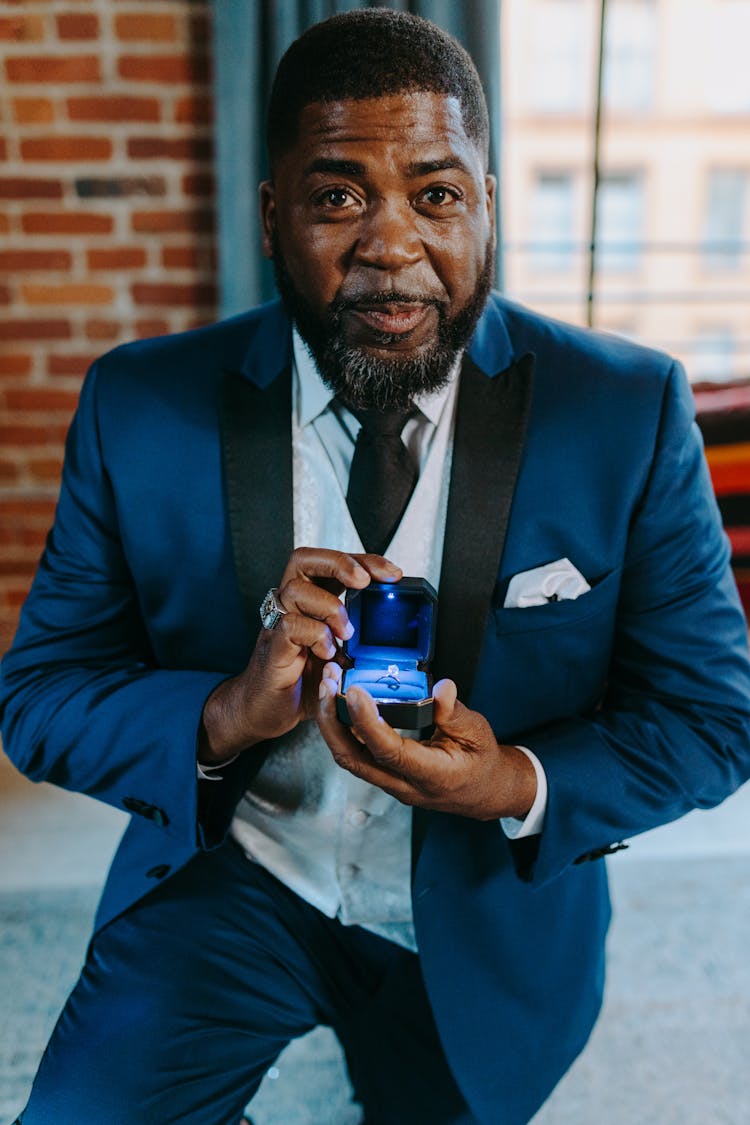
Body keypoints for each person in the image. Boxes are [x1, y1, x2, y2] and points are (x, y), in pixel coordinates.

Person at [2, 9, 749, 1125]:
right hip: (240, 879)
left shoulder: (626, 411)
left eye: (438, 194)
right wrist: (223, 714)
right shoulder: (139, 404)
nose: (390, 244)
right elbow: (41, 696)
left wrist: (515, 786)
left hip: (484, 913)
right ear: (272, 214)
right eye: (339, 196)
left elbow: (711, 716)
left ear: (490, 204)